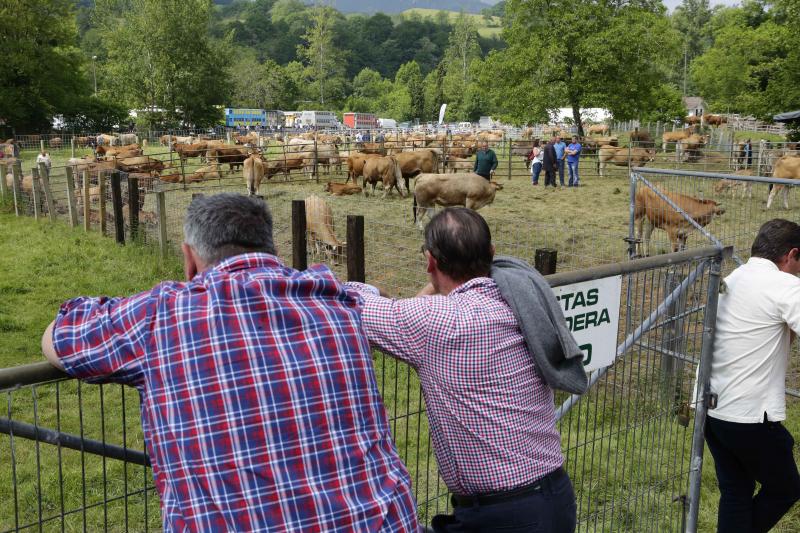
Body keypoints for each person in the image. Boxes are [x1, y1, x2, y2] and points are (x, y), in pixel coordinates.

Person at [41, 194, 419, 532]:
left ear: (189, 260)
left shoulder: (161, 314)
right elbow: (374, 294)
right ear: (272, 247)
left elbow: (57, 339)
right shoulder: (336, 298)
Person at [346, 207, 586, 533]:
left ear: (430, 261)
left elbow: (353, 302)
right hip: (553, 496)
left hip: (506, 515)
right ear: (491, 253)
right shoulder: (516, 301)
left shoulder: (436, 321)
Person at [704, 218, 800, 533]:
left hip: (714, 410)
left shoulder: (734, 277)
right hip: (749, 417)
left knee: (736, 492)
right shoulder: (785, 285)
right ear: (792, 255)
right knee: (786, 488)